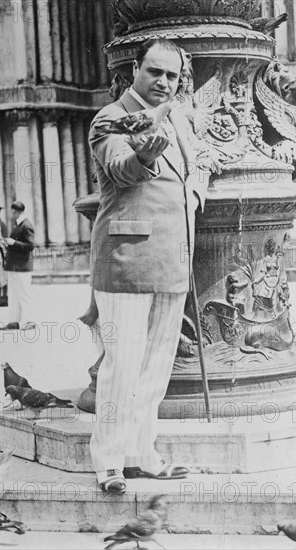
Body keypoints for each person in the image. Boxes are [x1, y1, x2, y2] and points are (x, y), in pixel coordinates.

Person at [88, 38, 217, 493]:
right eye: (155, 72)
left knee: (156, 366)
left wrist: (195, 192)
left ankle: (142, 453)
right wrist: (144, 155)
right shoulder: (109, 119)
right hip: (126, 260)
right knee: (121, 366)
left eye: (173, 76)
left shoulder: (179, 116)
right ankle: (108, 463)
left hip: (173, 257)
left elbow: (196, 162)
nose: (164, 82)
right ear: (135, 71)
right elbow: (121, 168)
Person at [0, 201, 36, 330]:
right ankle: (14, 321)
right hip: (15, 266)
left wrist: (13, 242)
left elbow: (30, 246)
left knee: (23, 295)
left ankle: (29, 322)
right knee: (14, 295)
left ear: (15, 211)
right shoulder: (19, 225)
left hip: (22, 267)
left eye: (12, 212)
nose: (11, 215)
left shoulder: (26, 225)